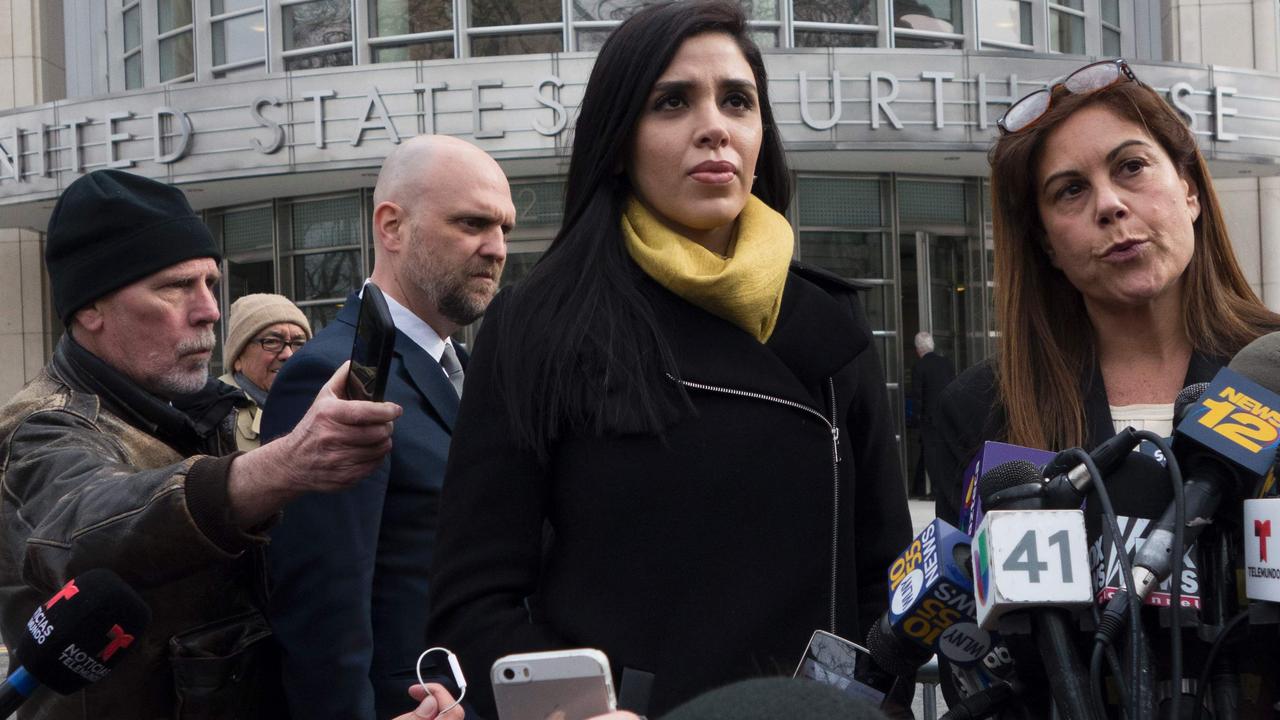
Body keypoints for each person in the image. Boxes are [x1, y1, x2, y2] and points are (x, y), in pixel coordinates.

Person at [425, 2, 910, 716]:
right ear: (621, 139)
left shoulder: (830, 324)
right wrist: (583, 707)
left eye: (737, 101)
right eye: (672, 101)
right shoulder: (539, 326)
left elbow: (887, 584)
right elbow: (473, 602)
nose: (714, 125)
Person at [927, 59, 1280, 714]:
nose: (1110, 205)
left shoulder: (1272, 374)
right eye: (1070, 191)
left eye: (1131, 167)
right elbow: (978, 653)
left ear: (1191, 189)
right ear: (1047, 245)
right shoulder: (983, 413)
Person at [0, 169, 401, 718]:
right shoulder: (39, 430)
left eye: (210, 283)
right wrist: (284, 465)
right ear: (89, 308)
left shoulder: (206, 410)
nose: (209, 309)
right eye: (174, 286)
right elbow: (86, 527)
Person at [260, 134, 514, 719]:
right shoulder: (330, 374)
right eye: (473, 223)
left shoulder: (465, 369)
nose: (497, 248)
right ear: (391, 227)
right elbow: (322, 609)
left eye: (503, 227)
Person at [218, 293, 312, 450]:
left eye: (298, 343)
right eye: (272, 342)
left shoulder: (317, 404)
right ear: (238, 357)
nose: (288, 354)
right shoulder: (214, 418)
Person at [907, 331, 954, 498]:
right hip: (947, 416)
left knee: (931, 455)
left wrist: (914, 420)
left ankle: (936, 490)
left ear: (918, 350)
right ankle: (919, 488)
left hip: (929, 419)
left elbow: (917, 396)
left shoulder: (919, 367)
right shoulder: (946, 363)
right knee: (939, 453)